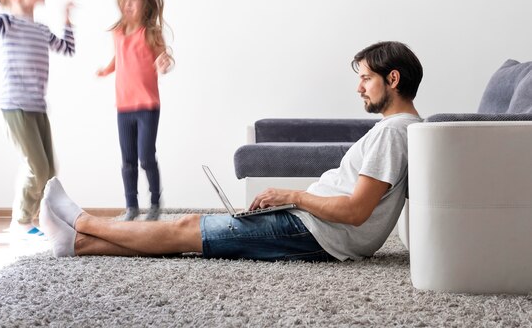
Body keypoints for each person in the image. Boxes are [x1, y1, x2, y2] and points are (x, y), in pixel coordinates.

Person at [40, 41, 423, 260]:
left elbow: (356, 212)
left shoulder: (394, 133)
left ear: (393, 79)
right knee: (193, 230)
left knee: (188, 229)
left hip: (316, 234)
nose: (359, 88)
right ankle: (76, 243)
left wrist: (293, 196)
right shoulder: (400, 130)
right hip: (313, 226)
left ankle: (83, 222)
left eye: (366, 79)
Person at [0, 0, 75, 236]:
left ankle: (42, 218)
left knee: (50, 170)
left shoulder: (41, 29)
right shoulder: (7, 23)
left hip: (37, 106)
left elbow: (67, 49)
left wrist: (67, 21)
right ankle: (21, 221)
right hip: (15, 106)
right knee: (36, 167)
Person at [96, 0, 173, 221]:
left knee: (146, 157)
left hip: (147, 106)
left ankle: (155, 204)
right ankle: (131, 206)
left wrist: (163, 64)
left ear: (145, 6)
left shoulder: (150, 33)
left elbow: (165, 57)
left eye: (134, 0)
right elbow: (119, 58)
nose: (128, 4)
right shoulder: (118, 32)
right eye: (125, 0)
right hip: (124, 107)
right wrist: (107, 69)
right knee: (127, 160)